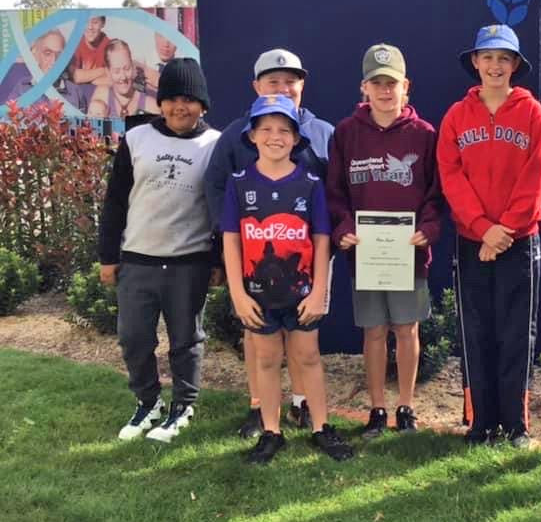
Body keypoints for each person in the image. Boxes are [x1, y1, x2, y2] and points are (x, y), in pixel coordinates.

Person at [204, 48, 334, 439]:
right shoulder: (236, 134)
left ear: (302, 84)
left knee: (305, 339)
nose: (283, 87)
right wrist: (236, 235)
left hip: (308, 257)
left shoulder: (324, 132)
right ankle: (261, 410)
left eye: (290, 80)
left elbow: (337, 194)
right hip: (255, 254)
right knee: (260, 337)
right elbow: (215, 185)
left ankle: (302, 403)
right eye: (273, 81)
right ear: (256, 86)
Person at [222, 93, 353, 464]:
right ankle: (271, 432)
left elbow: (322, 239)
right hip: (258, 294)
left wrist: (319, 294)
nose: (274, 136)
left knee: (308, 356)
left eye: (284, 130)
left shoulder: (310, 184)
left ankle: (322, 427)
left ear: (296, 138)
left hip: (302, 293)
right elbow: (231, 241)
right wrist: (237, 293)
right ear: (252, 135)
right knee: (266, 359)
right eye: (266, 128)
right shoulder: (239, 183)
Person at [98, 58, 221, 443]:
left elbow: (220, 210)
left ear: (202, 104)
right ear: (160, 102)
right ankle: (147, 402)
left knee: (186, 340)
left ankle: (182, 405)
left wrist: (217, 261)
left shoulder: (214, 145)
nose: (179, 107)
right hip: (138, 260)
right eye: (170, 99)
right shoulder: (136, 139)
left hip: (189, 262)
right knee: (134, 337)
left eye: (188, 99)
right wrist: (108, 256)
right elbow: (116, 202)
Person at [436, 24, 541, 447]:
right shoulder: (456, 116)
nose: (496, 65)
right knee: (476, 330)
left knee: (517, 331)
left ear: (515, 64)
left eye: (505, 58)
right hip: (472, 241)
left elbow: (534, 177)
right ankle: (480, 421)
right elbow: (451, 175)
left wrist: (504, 231)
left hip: (519, 242)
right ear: (476, 63)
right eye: (488, 57)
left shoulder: (532, 113)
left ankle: (515, 424)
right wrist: (483, 229)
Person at [327, 44, 441, 438]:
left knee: (407, 328)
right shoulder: (346, 134)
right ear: (364, 88)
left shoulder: (425, 135)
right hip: (367, 254)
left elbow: (435, 193)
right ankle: (377, 408)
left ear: (405, 86)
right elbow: (335, 192)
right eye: (377, 83)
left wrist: (429, 226)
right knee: (374, 331)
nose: (385, 90)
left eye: (391, 83)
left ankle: (405, 406)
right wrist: (342, 229)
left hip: (409, 253)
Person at [0, 29, 87, 112]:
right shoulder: (22, 88)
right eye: (47, 53)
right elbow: (7, 121)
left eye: (59, 55)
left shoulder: (75, 92)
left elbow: (84, 125)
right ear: (37, 56)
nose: (54, 61)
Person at [87, 40, 160, 119]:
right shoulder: (102, 95)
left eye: (127, 69)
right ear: (108, 72)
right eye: (117, 71)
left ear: (133, 67)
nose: (123, 77)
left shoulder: (151, 107)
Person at [70, 16, 112, 85]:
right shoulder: (75, 43)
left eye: (95, 22)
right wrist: (104, 70)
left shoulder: (109, 46)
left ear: (103, 23)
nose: (90, 27)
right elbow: (75, 76)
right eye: (85, 22)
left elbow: (114, 80)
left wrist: (86, 78)